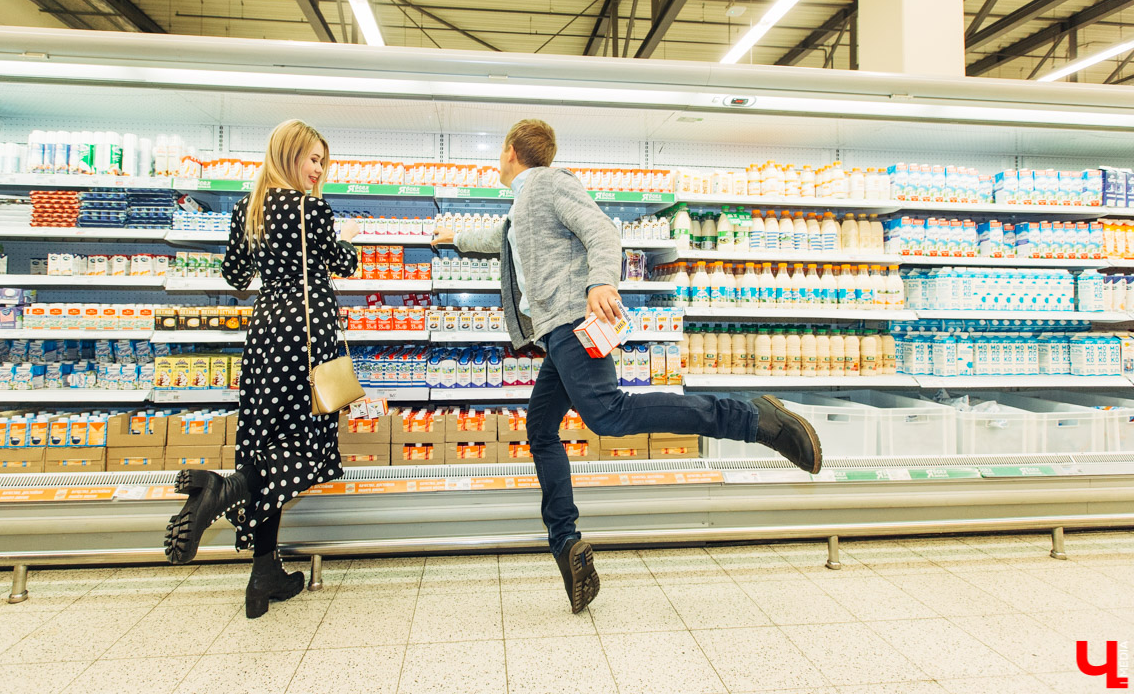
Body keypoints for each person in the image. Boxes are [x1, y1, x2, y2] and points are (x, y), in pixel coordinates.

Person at [431, 119, 822, 614]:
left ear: (511, 151)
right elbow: (501, 236)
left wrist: (599, 282)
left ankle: (754, 420)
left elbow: (600, 231)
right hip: (557, 332)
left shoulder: (550, 182)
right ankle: (567, 543)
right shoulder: (523, 203)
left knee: (610, 415)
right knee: (541, 430)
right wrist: (454, 237)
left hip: (576, 319)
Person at [163, 119, 360, 619]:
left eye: (321, 161)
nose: (317, 170)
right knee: (300, 444)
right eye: (312, 159)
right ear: (288, 155)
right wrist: (349, 238)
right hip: (307, 331)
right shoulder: (310, 208)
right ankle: (222, 490)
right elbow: (344, 263)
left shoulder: (245, 211)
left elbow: (234, 277)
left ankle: (263, 574)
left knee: (264, 438)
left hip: (266, 329)